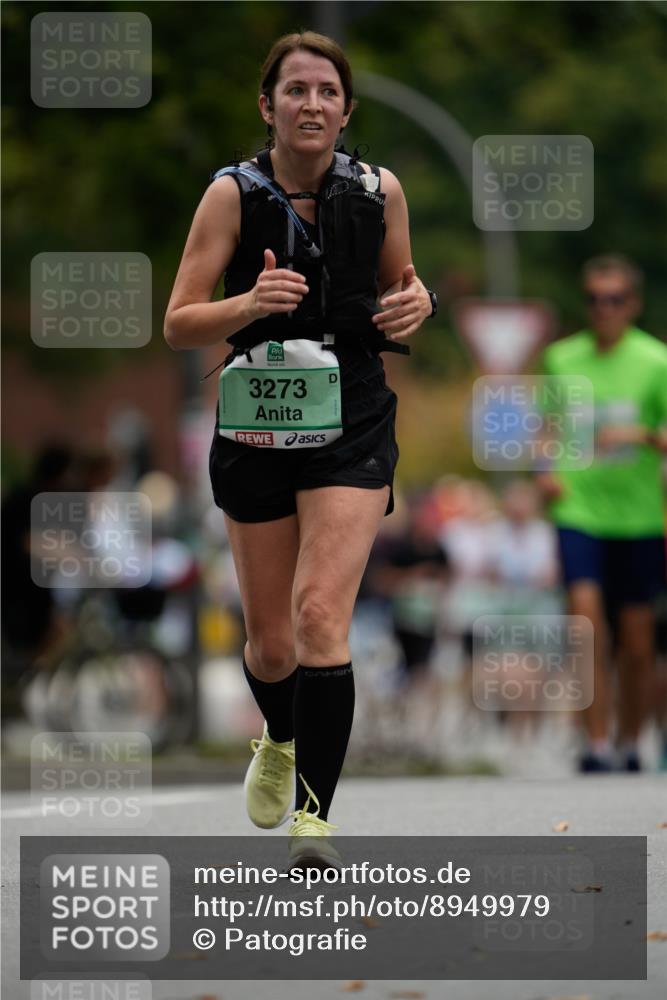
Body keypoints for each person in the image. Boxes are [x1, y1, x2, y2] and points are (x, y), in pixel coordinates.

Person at [164, 31, 435, 865]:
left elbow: (403, 285)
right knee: (271, 641)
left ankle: (314, 820)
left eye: (326, 91)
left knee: (321, 615)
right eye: (295, 90)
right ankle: (278, 737)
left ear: (345, 110)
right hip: (256, 419)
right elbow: (179, 321)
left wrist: (415, 303)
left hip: (350, 415)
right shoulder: (230, 196)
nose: (311, 103)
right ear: (268, 106)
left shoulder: (377, 190)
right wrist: (248, 303)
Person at [536, 255, 667, 772]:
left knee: (636, 643)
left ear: (632, 304)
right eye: (594, 299)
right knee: (586, 625)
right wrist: (544, 468)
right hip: (579, 507)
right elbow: (546, 428)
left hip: (636, 516)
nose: (604, 309)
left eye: (614, 299)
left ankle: (630, 741)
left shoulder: (656, 361)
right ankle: (594, 744)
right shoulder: (562, 359)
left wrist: (638, 435)